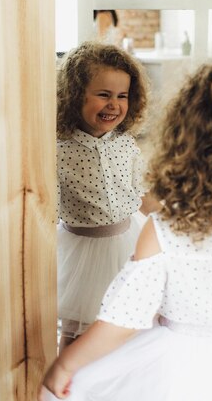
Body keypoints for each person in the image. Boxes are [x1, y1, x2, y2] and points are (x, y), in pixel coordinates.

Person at [41, 62, 212, 400]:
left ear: (182, 142)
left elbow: (122, 320)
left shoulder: (164, 230)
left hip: (182, 363)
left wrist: (65, 364)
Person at [56, 41, 160, 351]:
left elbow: (144, 194)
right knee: (79, 329)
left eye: (122, 96)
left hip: (127, 241)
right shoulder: (59, 149)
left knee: (130, 323)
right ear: (75, 96)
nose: (113, 104)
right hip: (82, 251)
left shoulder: (125, 144)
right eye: (103, 95)